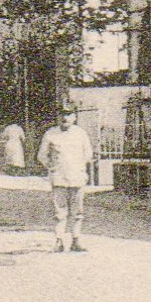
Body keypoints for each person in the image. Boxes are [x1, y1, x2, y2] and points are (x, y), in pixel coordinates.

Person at [37, 105, 95, 252]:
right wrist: (52, 167)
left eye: (69, 115)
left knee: (78, 211)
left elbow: (88, 154)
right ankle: (59, 241)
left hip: (77, 177)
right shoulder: (51, 134)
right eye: (62, 114)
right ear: (58, 116)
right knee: (60, 212)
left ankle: (76, 240)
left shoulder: (81, 134)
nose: (65, 118)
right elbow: (42, 155)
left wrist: (80, 168)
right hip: (59, 177)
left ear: (74, 117)